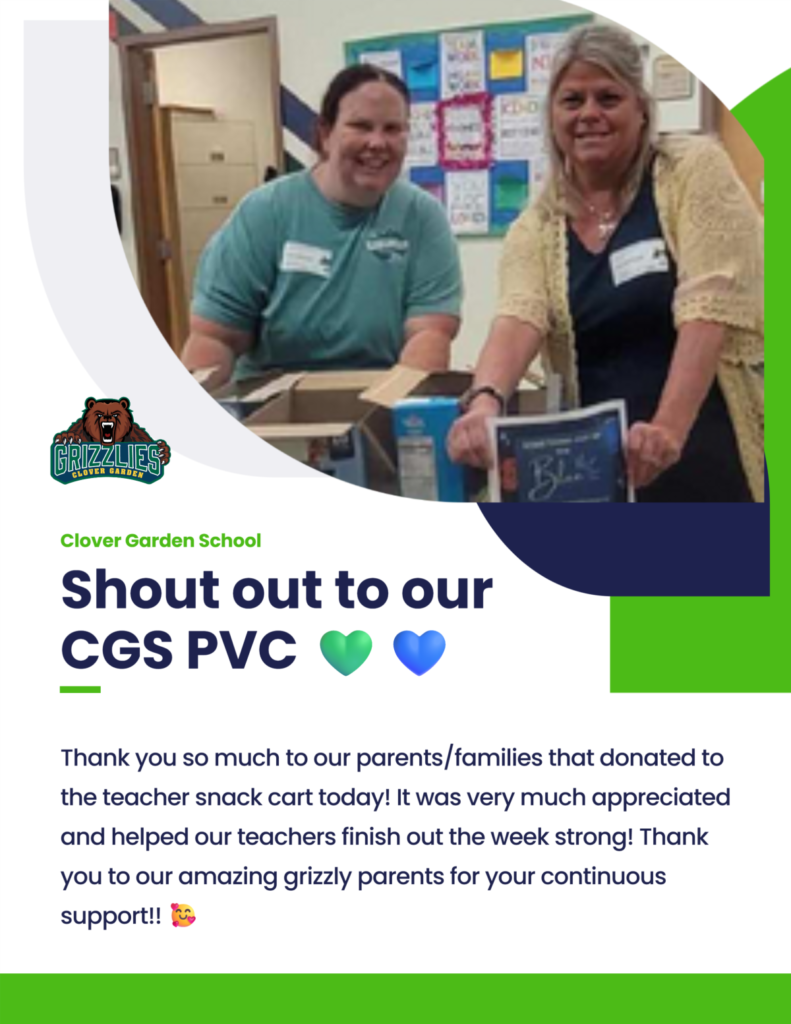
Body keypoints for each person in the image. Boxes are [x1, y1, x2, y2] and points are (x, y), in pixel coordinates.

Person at [447, 25, 764, 502]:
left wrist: (667, 429)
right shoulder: (537, 225)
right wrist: (484, 402)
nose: (589, 114)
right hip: (602, 473)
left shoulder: (693, 170)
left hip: (707, 450)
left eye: (608, 98)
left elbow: (708, 309)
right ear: (552, 116)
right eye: (572, 101)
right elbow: (517, 317)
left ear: (641, 109)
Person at [182, 64, 462, 385]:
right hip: (273, 399)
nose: (377, 142)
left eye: (392, 129)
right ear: (326, 134)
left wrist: (394, 407)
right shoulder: (265, 212)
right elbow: (215, 337)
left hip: (379, 393)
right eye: (361, 126)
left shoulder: (422, 217)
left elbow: (430, 334)